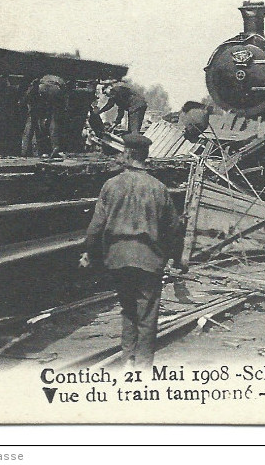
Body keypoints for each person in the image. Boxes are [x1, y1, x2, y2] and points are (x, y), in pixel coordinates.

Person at [80, 134, 183, 369]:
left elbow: (96, 227)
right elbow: (175, 229)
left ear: (126, 154)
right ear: (146, 156)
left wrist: (90, 254)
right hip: (149, 260)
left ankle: (128, 360)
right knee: (147, 316)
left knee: (128, 309)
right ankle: (143, 368)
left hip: (118, 259)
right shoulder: (159, 189)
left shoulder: (111, 186)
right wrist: (177, 259)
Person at [20, 74, 68, 157]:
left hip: (41, 89)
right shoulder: (60, 80)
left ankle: (27, 150)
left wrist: (23, 101)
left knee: (36, 122)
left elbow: (29, 93)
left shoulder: (42, 79)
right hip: (56, 90)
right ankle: (55, 147)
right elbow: (64, 96)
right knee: (54, 120)